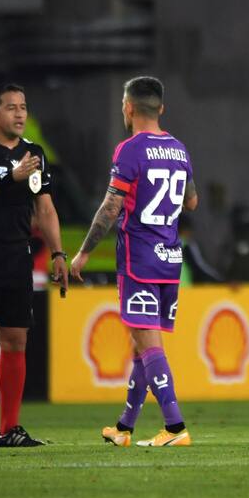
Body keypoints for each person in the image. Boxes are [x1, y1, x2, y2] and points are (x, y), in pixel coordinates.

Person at [70, 76, 198, 448]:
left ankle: (175, 428)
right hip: (170, 257)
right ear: (161, 108)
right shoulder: (178, 149)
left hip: (139, 257)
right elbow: (191, 202)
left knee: (147, 342)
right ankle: (125, 427)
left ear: (127, 108)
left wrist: (85, 251)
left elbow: (111, 207)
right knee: (141, 343)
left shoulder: (129, 150)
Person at [0, 83, 68, 448]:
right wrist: (11, 177)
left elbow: (45, 207)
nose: (20, 114)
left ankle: (9, 429)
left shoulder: (34, 154)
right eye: (11, 107)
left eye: (24, 107)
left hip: (16, 255)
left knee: (16, 341)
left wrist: (57, 253)